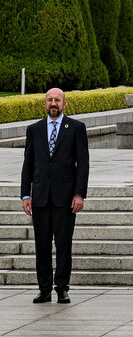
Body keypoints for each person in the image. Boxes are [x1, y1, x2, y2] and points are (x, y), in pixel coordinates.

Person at [20, 88, 89, 304]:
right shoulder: (34, 129)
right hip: (40, 197)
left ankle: (62, 288)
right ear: (44, 104)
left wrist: (79, 194)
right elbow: (28, 164)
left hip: (65, 198)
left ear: (64, 104)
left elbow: (83, 165)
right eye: (49, 100)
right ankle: (44, 289)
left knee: (63, 245)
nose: (53, 103)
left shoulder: (76, 128)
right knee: (41, 245)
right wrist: (25, 194)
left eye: (57, 100)